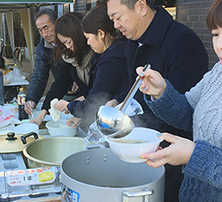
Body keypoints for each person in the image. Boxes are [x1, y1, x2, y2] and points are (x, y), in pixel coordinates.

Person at [104, 0, 209, 201]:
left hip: (174, 157)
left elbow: (187, 111)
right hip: (141, 149)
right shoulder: (133, 43)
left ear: (141, 7)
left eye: (117, 17)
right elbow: (134, 87)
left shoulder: (183, 42)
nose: (115, 25)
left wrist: (159, 96)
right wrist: (118, 102)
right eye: (112, 19)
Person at [136, 1, 222, 200]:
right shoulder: (217, 72)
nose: (218, 45)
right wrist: (161, 92)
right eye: (216, 34)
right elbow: (188, 113)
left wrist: (194, 155)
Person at [53, 7, 128, 127]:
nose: (88, 43)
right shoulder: (115, 51)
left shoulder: (110, 61)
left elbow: (93, 104)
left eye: (88, 38)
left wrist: (68, 105)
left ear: (101, 34)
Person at [30, 12, 95, 127]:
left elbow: (100, 92)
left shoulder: (97, 54)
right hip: (85, 104)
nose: (67, 47)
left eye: (68, 42)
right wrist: (41, 114)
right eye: (40, 30)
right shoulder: (69, 55)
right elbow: (59, 83)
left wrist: (73, 106)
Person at [24, 9, 73, 116]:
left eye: (46, 28)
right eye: (40, 30)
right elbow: (39, 76)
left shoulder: (72, 38)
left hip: (85, 93)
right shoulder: (42, 49)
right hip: (62, 93)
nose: (44, 34)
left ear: (56, 23)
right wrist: (31, 99)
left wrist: (78, 78)